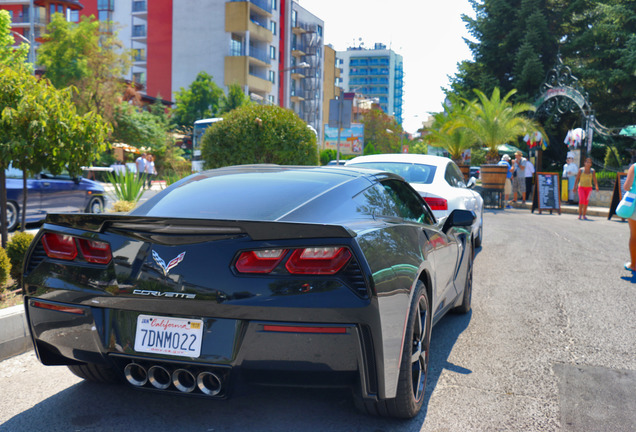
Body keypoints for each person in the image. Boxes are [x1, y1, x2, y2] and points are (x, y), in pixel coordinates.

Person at [623, 163, 636, 271]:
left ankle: (633, 265)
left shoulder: (634, 167)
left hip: (634, 206)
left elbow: (627, 186)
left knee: (634, 235)